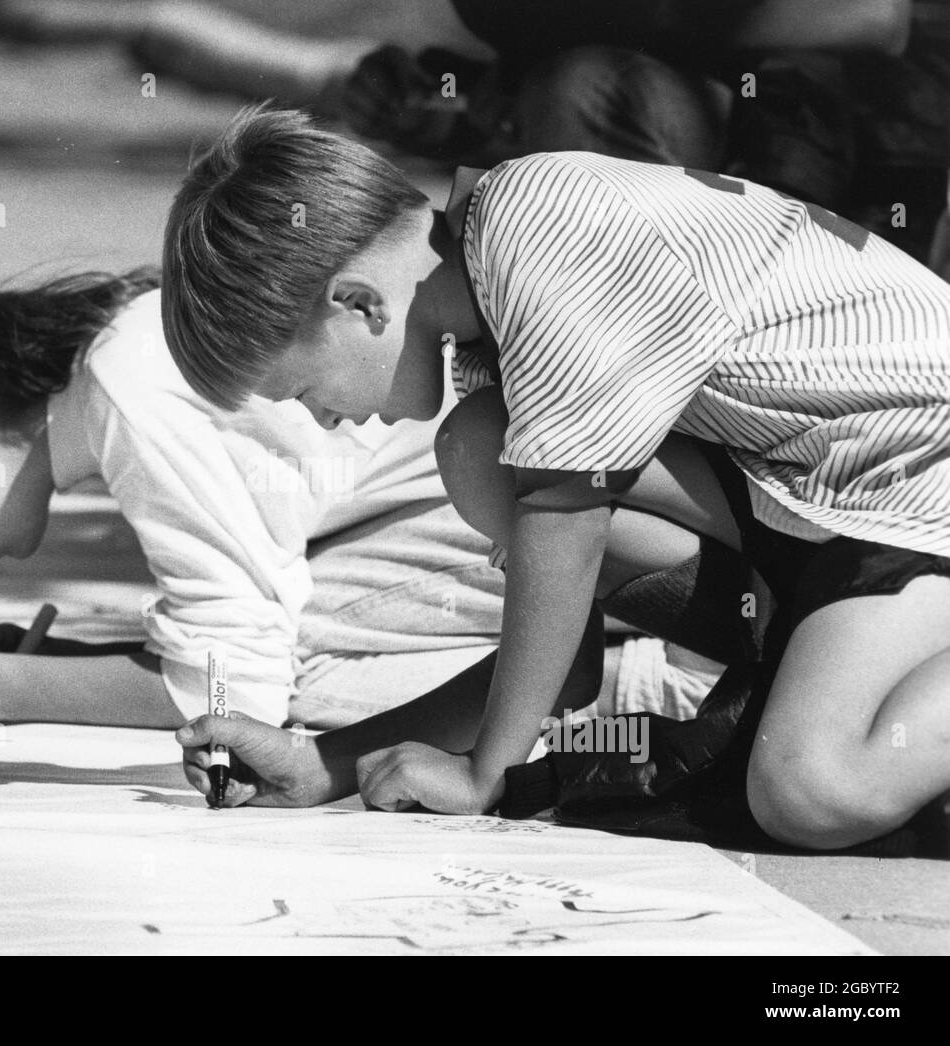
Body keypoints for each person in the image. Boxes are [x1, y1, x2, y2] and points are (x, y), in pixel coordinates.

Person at [161, 108, 950, 852]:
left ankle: (850, 679)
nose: (327, 422)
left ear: (360, 304)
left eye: (302, 394)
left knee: (807, 787)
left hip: (913, 476)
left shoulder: (536, 230)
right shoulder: (488, 299)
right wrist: (322, 762)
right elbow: (558, 665)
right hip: (820, 496)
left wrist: (482, 777)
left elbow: (566, 528)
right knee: (479, 448)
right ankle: (820, 660)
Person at [0, 269, 726, 731]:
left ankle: (651, 687)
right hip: (580, 475)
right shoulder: (112, 368)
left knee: (294, 693)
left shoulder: (132, 397)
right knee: (244, 628)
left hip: (621, 503)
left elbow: (234, 687)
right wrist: (26, 654)